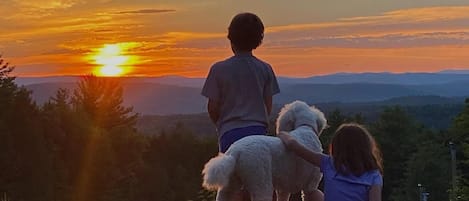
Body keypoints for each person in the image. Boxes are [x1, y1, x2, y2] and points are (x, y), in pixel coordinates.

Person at [201, 12, 280, 153]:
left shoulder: (218, 69)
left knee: (230, 174)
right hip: (258, 135)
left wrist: (220, 124)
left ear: (231, 38)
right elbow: (267, 106)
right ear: (258, 40)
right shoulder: (265, 68)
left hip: (229, 133)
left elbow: (213, 107)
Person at [278, 123, 383, 201]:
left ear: (337, 146)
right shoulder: (374, 175)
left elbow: (294, 145)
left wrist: (282, 133)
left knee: (313, 194)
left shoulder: (329, 163)